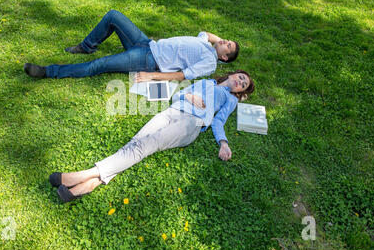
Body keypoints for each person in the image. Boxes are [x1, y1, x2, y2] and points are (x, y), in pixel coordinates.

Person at [48, 70, 255, 203]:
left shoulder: (230, 99)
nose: (240, 81)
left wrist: (223, 142)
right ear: (233, 74)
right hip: (171, 112)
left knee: (146, 145)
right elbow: (178, 95)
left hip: (191, 123)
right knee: (136, 142)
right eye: (241, 77)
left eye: (243, 84)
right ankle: (90, 184)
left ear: (239, 91)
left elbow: (219, 121)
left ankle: (81, 175)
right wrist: (189, 95)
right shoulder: (208, 82)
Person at [24, 10, 240, 82]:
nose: (223, 42)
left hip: (148, 60)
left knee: (100, 65)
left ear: (224, 58)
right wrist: (219, 41)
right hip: (146, 42)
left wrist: (151, 76)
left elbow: (182, 76)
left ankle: (47, 72)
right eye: (227, 40)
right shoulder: (206, 43)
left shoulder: (209, 64)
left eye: (227, 47)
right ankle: (87, 45)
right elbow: (208, 34)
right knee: (113, 16)